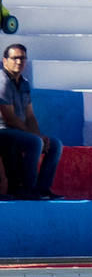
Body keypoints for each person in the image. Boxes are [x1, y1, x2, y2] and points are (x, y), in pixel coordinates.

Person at [0, 43, 60, 199]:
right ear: (5, 60)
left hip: (18, 132)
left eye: (22, 58)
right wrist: (36, 138)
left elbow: (30, 116)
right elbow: (9, 118)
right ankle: (27, 189)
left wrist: (40, 135)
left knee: (55, 144)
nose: (19, 62)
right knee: (35, 142)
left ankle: (43, 189)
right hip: (4, 131)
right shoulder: (2, 81)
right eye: (15, 58)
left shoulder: (24, 83)